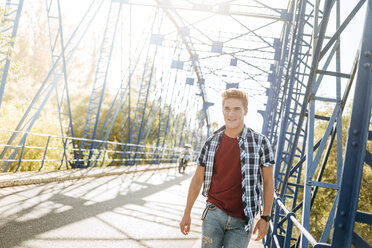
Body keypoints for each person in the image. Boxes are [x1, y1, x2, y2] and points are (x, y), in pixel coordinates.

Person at [179, 88, 275, 248]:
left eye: (237, 109)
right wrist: (187, 213)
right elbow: (197, 179)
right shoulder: (210, 143)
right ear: (222, 110)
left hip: (242, 220)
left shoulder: (261, 142)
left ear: (245, 111)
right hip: (214, 214)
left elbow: (268, 182)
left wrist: (265, 217)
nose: (231, 114)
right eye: (227, 109)